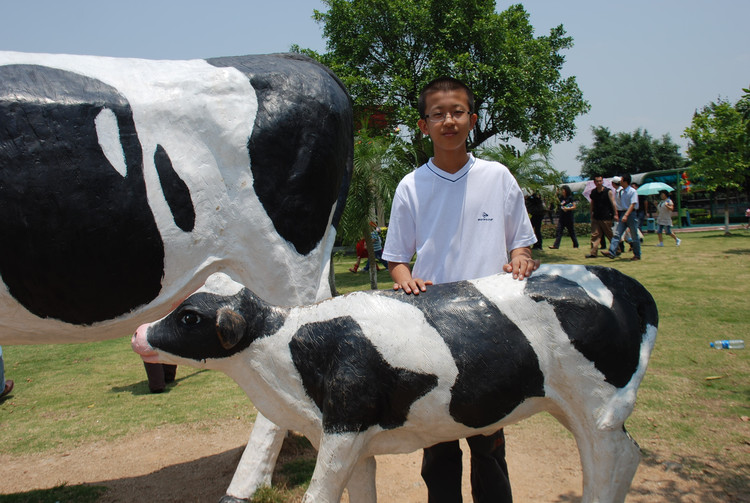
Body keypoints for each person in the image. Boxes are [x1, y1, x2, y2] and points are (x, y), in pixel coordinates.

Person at [382, 76, 539, 503]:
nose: (448, 120)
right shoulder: (411, 186)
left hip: (490, 329)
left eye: (457, 112)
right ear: (423, 125)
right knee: (438, 449)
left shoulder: (497, 176)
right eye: (438, 114)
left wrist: (521, 257)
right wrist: (405, 278)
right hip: (431, 331)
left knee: (490, 445)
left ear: (471, 119)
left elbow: (520, 241)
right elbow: (396, 258)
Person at [602, 173, 641, 261]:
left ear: (625, 181)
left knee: (634, 235)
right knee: (617, 234)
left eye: (621, 180)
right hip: (623, 213)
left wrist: (626, 215)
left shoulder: (632, 191)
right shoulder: (621, 192)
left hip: (631, 214)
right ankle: (612, 251)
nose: (620, 182)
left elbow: (633, 204)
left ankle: (637, 254)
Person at [548, 185, 579, 249]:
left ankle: (576, 245)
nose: (562, 191)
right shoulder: (561, 198)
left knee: (571, 232)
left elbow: (574, 206)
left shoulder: (570, 198)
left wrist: (567, 208)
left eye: (563, 190)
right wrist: (556, 193)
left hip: (569, 217)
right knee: (559, 231)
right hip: (562, 217)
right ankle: (556, 245)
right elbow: (555, 201)